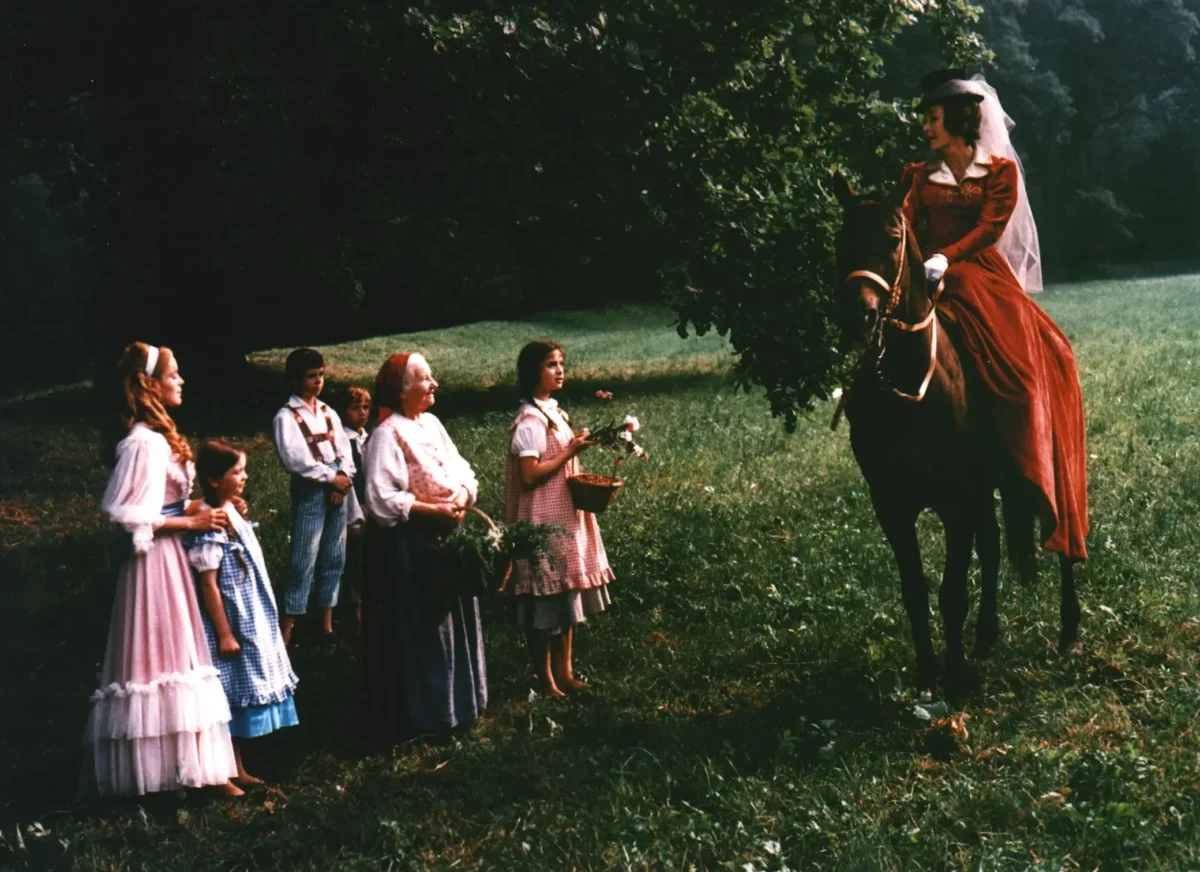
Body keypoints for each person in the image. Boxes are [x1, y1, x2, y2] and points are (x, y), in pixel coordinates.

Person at [901, 69, 1088, 560]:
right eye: (924, 119)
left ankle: (1022, 464)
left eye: (933, 119)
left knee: (1025, 376)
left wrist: (948, 256)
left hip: (981, 278)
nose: (925, 128)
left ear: (961, 121)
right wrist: (920, 259)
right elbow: (900, 227)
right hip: (931, 278)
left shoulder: (999, 173)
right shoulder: (918, 178)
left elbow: (989, 230)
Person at [81, 343, 241, 798]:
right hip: (151, 563)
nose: (182, 381)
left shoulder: (157, 437)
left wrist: (205, 507)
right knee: (159, 654)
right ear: (149, 384)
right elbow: (133, 514)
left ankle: (192, 767)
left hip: (168, 558)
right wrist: (191, 522)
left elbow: (165, 503)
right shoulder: (142, 443)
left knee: (179, 653)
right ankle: (155, 773)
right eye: (174, 374)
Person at [361, 352, 486, 741]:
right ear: (401, 389)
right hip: (414, 544)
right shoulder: (387, 434)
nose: (433, 385)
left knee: (456, 619)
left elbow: (462, 466)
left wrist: (462, 497)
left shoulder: (430, 423)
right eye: (425, 378)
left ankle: (464, 703)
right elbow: (380, 499)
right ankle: (430, 716)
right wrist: (431, 511)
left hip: (449, 532)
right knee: (427, 628)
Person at [186, 440, 299, 786]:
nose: (245, 477)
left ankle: (237, 765)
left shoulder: (231, 509)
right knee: (228, 697)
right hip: (231, 619)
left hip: (251, 612)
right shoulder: (211, 522)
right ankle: (222, 770)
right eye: (238, 472)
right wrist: (224, 633)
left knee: (239, 692)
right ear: (215, 479)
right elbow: (209, 585)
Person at [504, 341, 614, 697]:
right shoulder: (530, 421)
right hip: (540, 521)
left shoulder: (554, 412)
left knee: (565, 599)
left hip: (564, 517)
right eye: (551, 364)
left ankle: (565, 673)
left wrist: (575, 445)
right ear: (534, 371)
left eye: (561, 363)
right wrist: (570, 450)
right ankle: (545, 678)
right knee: (543, 606)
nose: (560, 370)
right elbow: (530, 475)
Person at [272, 348, 356, 645]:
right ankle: (289, 624)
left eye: (320, 375)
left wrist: (342, 478)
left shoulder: (328, 412)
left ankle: (327, 622)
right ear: (295, 379)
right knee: (304, 556)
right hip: (311, 490)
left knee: (335, 553)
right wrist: (330, 478)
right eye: (310, 376)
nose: (317, 381)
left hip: (338, 487)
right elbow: (294, 459)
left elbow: (345, 450)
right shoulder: (287, 416)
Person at [339, 386, 372, 634]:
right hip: (356, 505)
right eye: (355, 407)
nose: (362, 412)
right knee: (356, 558)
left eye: (366, 407)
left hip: (373, 504)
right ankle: (355, 608)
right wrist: (354, 515)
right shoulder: (343, 441)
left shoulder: (368, 438)